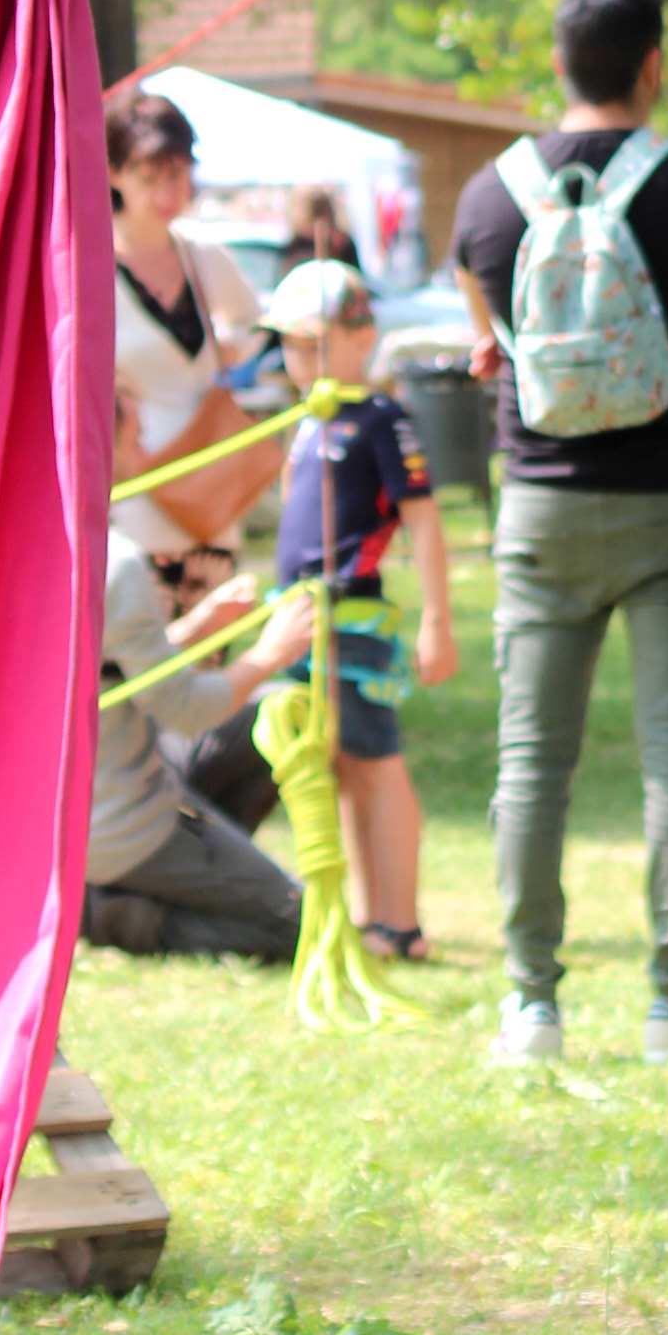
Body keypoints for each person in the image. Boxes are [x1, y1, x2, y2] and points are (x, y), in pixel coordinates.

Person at [453, 0, 668, 1066]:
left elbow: (488, 342)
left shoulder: (488, 196)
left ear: (557, 65)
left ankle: (531, 1007)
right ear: (653, 66)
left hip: (541, 506)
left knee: (532, 761)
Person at [256, 259, 458, 962]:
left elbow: (423, 520)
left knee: (378, 761)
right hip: (302, 620)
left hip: (353, 620)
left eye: (314, 342)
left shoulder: (380, 418)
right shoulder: (308, 419)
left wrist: (438, 620)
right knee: (342, 765)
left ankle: (399, 922)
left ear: (361, 335)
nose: (299, 358)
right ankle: (371, 917)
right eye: (289, 344)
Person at [84, 509, 318, 961]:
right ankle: (108, 917)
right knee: (303, 925)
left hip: (83, 817)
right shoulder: (115, 558)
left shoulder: (34, 540)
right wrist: (272, 652)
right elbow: (187, 709)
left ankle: (194, 874)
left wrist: (199, 626)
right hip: (120, 824)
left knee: (269, 710)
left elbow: (107, 671)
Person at [105, 90, 275, 587]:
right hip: (131, 496)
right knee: (137, 653)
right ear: (115, 173)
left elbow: (252, 323)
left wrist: (231, 348)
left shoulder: (203, 256)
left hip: (210, 490)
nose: (166, 194)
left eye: (177, 175)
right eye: (148, 177)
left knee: (214, 656)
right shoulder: (86, 266)